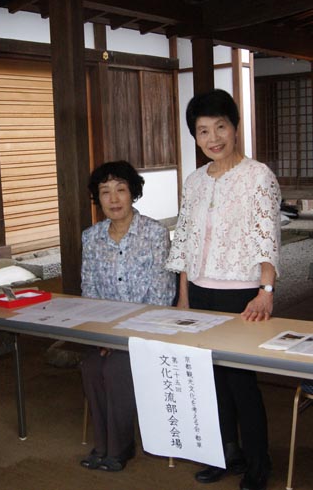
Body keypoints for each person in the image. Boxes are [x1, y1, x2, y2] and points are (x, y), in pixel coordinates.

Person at [166, 89, 281, 490]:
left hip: (241, 293)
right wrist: (183, 293)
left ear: (235, 128)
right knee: (209, 378)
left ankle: (257, 462)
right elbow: (185, 239)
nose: (213, 138)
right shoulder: (195, 181)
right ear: (194, 136)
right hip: (199, 291)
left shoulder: (257, 176)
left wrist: (265, 290)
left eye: (220, 127)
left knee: (241, 382)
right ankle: (222, 452)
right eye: (202, 131)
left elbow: (267, 235)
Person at [80, 161, 176, 472]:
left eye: (120, 189)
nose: (114, 198)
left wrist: (122, 336)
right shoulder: (91, 237)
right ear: (98, 198)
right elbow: (89, 292)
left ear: (133, 193)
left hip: (146, 328)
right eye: (105, 192)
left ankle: (120, 448)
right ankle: (102, 444)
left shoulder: (155, 233)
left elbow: (162, 296)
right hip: (106, 329)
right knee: (93, 365)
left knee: (118, 369)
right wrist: (104, 335)